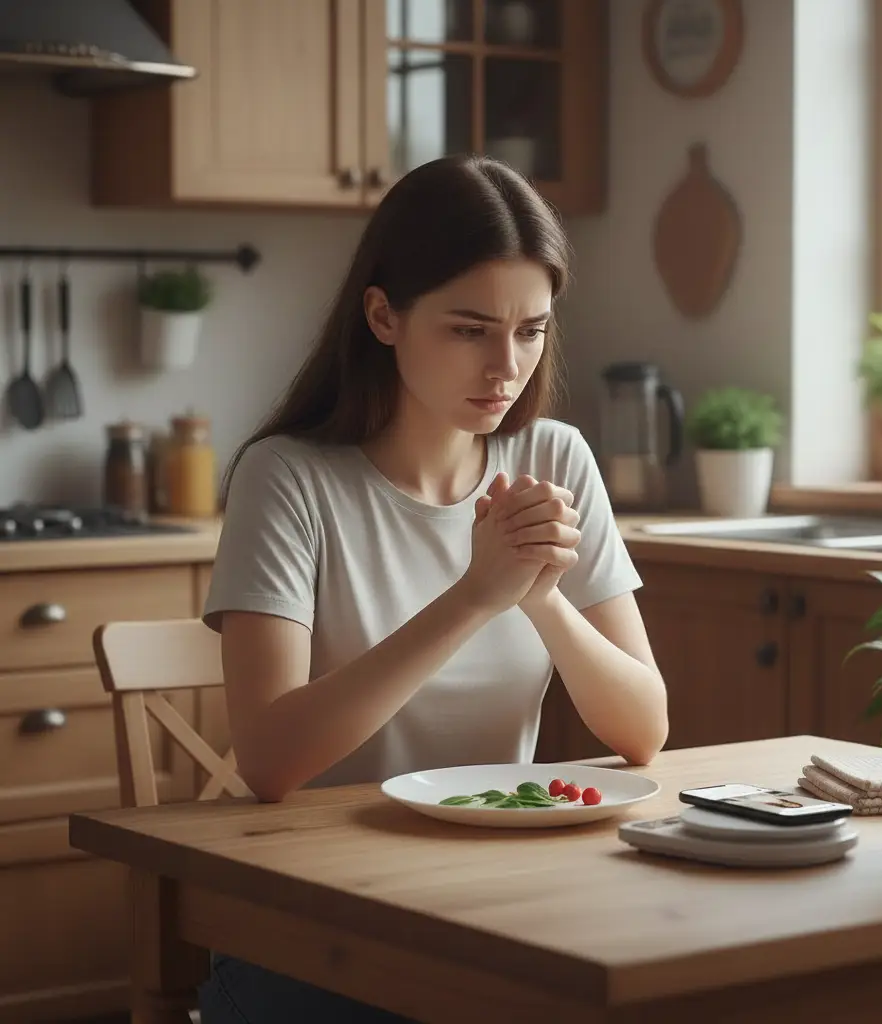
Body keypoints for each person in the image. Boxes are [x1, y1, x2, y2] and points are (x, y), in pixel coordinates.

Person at [197, 154, 668, 1023]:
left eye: (531, 330)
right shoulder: (287, 478)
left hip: (494, 905)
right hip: (311, 921)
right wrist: (474, 596)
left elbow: (643, 731)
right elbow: (269, 761)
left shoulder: (555, 460)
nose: (506, 365)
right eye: (469, 329)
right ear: (383, 315)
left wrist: (541, 598)